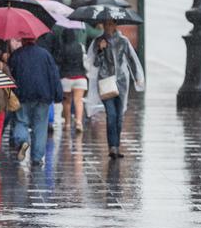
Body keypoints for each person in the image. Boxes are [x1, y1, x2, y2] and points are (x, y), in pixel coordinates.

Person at [86, 19, 145, 159]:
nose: (108, 26)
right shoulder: (98, 41)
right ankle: (112, 147)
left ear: (115, 25)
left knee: (119, 117)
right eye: (106, 24)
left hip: (121, 83)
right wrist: (100, 50)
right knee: (111, 115)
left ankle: (117, 146)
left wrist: (137, 76)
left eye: (111, 24)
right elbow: (95, 63)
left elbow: (131, 59)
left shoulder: (123, 41)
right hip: (105, 81)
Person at [8, 39, 63, 166]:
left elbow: (11, 75)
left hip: (22, 94)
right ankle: (37, 158)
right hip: (43, 95)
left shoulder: (16, 55)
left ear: (22, 40)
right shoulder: (45, 55)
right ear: (35, 39)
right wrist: (58, 95)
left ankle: (23, 141)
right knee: (40, 126)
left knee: (21, 121)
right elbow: (53, 75)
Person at [55, 28, 88, 132]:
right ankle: (79, 122)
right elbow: (85, 61)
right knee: (78, 101)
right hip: (80, 77)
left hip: (66, 78)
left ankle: (68, 124)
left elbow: (59, 61)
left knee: (67, 102)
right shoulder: (80, 47)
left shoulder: (62, 48)